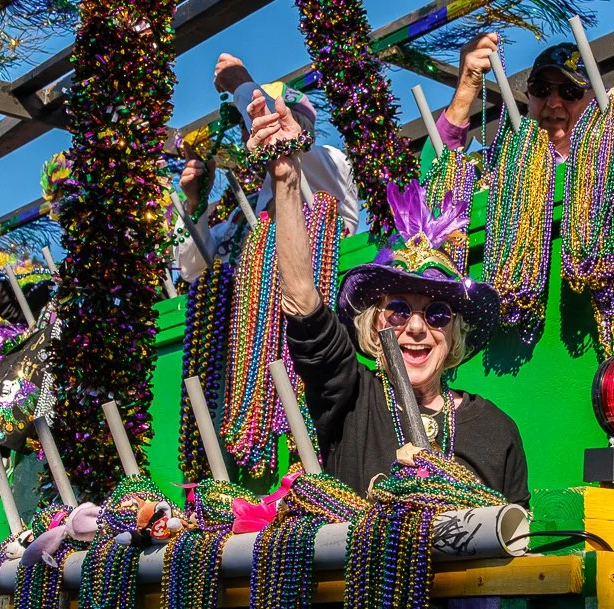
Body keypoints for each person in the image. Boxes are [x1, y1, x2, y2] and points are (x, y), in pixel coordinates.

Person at [245, 91, 530, 506]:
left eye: (437, 313)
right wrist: (287, 178)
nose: (416, 327)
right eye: (398, 309)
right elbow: (303, 302)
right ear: (374, 322)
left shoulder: (495, 428)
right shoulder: (350, 397)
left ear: (454, 331)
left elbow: (515, 536)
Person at [173, 53, 360, 282]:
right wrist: (196, 204)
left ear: (298, 126)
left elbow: (284, 143)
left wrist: (241, 84)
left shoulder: (330, 162)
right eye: (246, 124)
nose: (250, 133)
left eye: (255, 118)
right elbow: (191, 269)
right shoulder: (243, 213)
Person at [438, 35, 594, 162]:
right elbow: (434, 181)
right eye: (541, 88)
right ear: (529, 96)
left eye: (570, 91)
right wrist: (466, 88)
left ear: (594, 101)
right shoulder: (496, 167)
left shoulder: (606, 162)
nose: (553, 103)